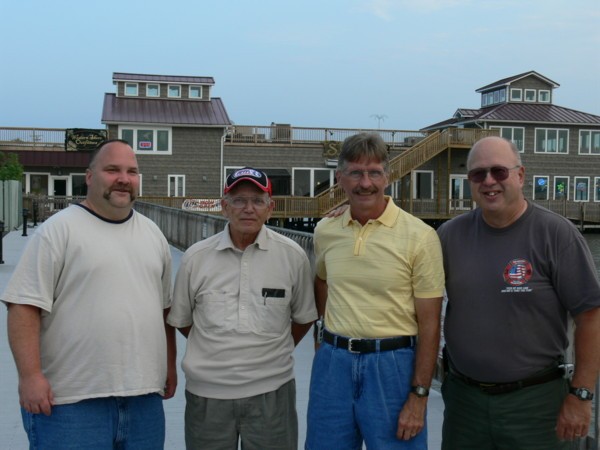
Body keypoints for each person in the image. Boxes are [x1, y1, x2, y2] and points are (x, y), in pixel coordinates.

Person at [2, 139, 177, 449]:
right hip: (69, 403)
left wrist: (170, 366)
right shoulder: (58, 231)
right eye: (112, 169)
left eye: (132, 171)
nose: (124, 178)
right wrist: (30, 377)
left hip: (143, 402)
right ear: (90, 176)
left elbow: (164, 311)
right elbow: (23, 307)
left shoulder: (153, 234)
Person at [437, 136, 600, 449]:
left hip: (536, 405)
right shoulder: (449, 236)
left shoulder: (557, 234)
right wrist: (352, 213)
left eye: (499, 172)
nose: (488, 182)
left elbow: (591, 317)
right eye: (477, 174)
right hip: (464, 403)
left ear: (520, 175)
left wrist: (581, 395)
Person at [305, 132, 445, 449]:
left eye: (374, 172)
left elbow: (430, 324)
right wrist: (324, 339)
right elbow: (322, 280)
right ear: (340, 178)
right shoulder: (326, 229)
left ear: (387, 176)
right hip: (333, 364)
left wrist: (419, 395)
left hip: (393, 366)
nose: (365, 183)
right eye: (355, 172)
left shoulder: (420, 237)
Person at [167, 167, 317, 450]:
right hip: (206, 395)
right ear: (224, 207)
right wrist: (216, 347)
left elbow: (303, 318)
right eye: (238, 200)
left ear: (270, 208)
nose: (248, 208)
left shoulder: (293, 256)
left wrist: (272, 348)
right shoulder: (195, 258)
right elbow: (183, 320)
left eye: (257, 201)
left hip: (273, 392)